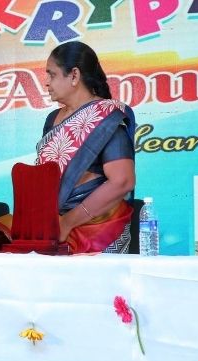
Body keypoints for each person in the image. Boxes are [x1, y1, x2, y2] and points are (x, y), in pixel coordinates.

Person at [38, 41, 136, 253]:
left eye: (52, 75)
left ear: (74, 75)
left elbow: (122, 181)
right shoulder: (52, 119)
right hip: (53, 230)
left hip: (99, 232)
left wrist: (68, 222)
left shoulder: (106, 118)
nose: (46, 82)